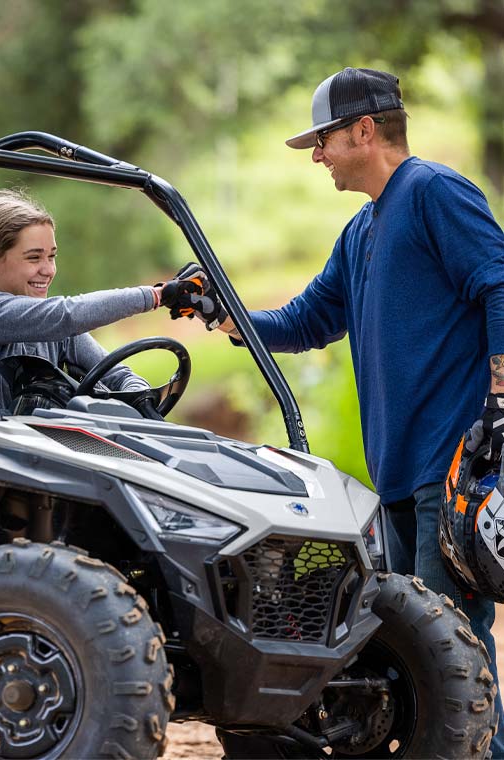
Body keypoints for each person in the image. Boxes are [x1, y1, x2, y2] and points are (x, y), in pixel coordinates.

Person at [188, 67, 504, 753]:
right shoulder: (361, 228)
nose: (316, 156)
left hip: (452, 462)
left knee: (447, 649)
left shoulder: (434, 191)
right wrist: (222, 311)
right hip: (396, 474)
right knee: (425, 650)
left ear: (364, 130)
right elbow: (303, 321)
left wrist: (500, 403)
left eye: (322, 140)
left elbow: (499, 284)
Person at [0, 189, 213, 414]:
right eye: (34, 258)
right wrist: (157, 295)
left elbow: (115, 374)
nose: (48, 270)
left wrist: (140, 398)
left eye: (51, 256)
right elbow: (68, 315)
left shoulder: (53, 327)